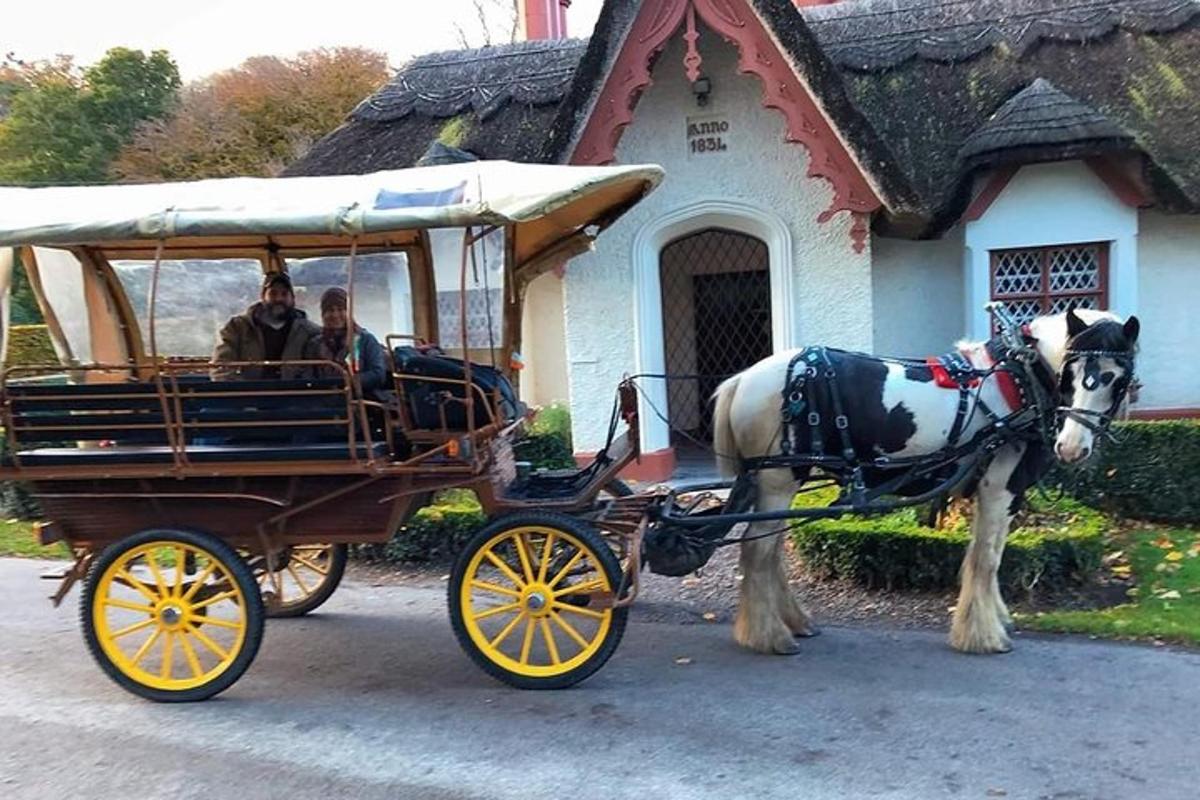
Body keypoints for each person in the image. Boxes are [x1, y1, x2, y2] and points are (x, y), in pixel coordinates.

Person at [212, 272, 321, 380]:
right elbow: (221, 366)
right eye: (273, 293)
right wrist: (241, 390)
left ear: (292, 298)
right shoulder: (237, 328)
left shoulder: (309, 331)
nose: (279, 299)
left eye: (284, 294)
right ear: (263, 296)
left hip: (293, 393)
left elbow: (315, 370)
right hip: (249, 392)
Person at [307, 287, 390, 399]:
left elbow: (378, 374)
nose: (335, 315)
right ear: (323, 314)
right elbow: (307, 374)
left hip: (359, 401)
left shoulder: (365, 340)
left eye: (341, 309)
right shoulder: (315, 344)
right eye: (330, 310)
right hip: (324, 402)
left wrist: (351, 381)